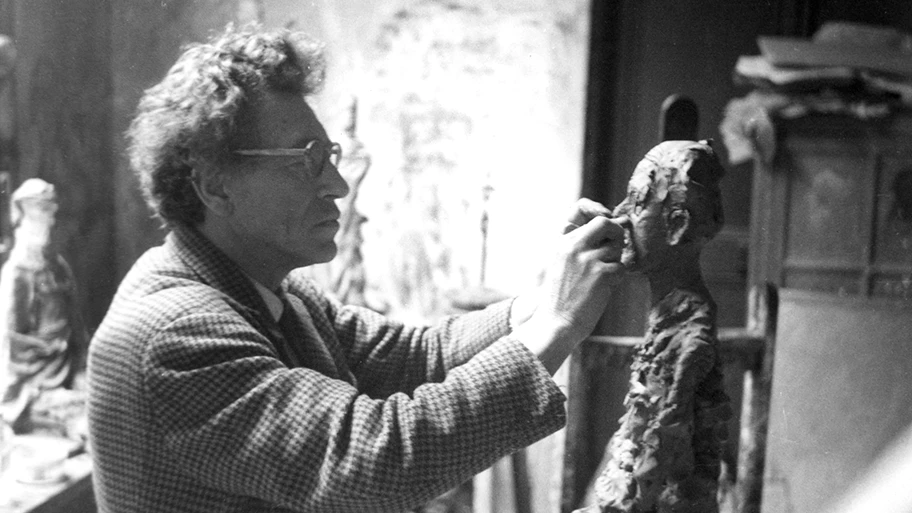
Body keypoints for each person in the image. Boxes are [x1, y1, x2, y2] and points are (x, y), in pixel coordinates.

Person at [87, 24, 627, 513]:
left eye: (331, 156)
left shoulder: (273, 292)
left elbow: (420, 356)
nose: (337, 186)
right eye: (306, 160)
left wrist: (548, 294)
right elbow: (373, 461)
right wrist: (557, 325)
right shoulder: (177, 333)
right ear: (215, 186)